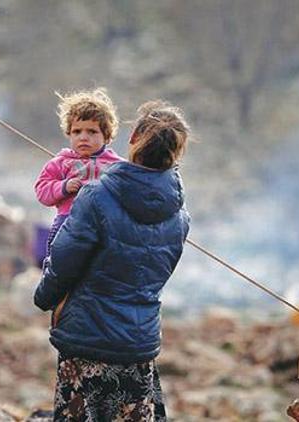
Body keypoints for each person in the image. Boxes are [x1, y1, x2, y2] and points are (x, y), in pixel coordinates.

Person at [34, 100, 191, 421]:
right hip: (139, 341)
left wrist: (44, 298)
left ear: (131, 138)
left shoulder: (95, 196)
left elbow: (63, 262)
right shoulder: (180, 215)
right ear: (177, 151)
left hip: (87, 338)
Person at [34, 88, 122, 256]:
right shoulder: (60, 163)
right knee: (58, 267)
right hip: (67, 224)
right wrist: (64, 187)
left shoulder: (117, 166)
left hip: (104, 228)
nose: (83, 137)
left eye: (92, 132)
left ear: (107, 136)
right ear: (69, 133)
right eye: (77, 131)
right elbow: (42, 191)